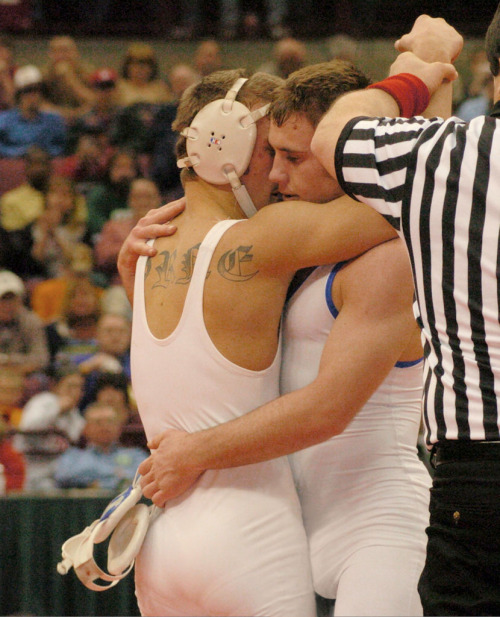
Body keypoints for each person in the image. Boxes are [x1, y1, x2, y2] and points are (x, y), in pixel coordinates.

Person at [118, 18, 462, 617]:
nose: (274, 175)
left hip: (375, 528)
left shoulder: (385, 258)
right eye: (268, 152)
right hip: (291, 525)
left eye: (291, 156)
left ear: (343, 153)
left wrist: (426, 79)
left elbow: (430, 183)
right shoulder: (289, 248)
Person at [309, 11, 500, 616]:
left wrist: (416, 71)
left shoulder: (442, 157)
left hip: (481, 467)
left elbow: (332, 134)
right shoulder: (439, 154)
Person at [15, 362, 85, 490]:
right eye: (71, 386)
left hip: (60, 475)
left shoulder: (75, 415)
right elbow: (28, 428)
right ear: (56, 386)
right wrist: (57, 409)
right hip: (32, 470)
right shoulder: (44, 401)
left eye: (79, 388)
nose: (75, 392)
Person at [53, 401, 147, 491]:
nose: (105, 427)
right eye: (98, 422)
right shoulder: (73, 456)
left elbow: (147, 476)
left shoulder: (136, 455)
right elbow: (63, 476)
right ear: (86, 428)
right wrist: (118, 475)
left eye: (110, 421)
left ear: (119, 427)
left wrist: (97, 483)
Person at [0, 65, 66, 158]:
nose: (33, 96)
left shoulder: (54, 120)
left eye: (37, 90)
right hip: (13, 166)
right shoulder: (4, 120)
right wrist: (21, 152)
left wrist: (43, 153)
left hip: (45, 166)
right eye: (28, 91)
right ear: (19, 95)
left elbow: (61, 147)